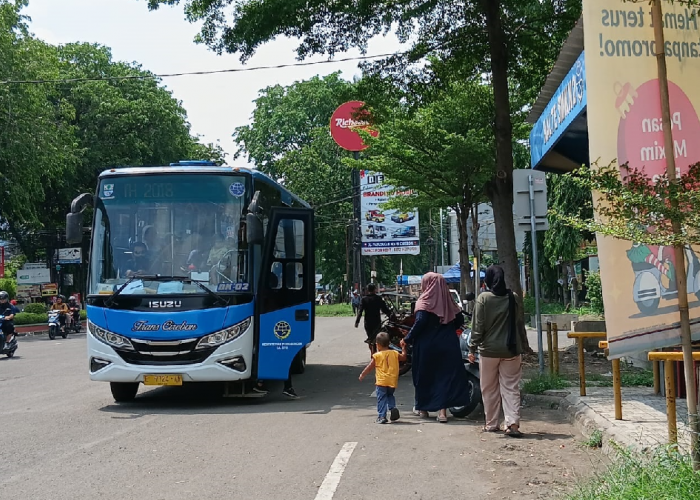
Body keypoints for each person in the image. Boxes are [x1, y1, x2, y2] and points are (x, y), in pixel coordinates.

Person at [469, 265, 532, 437]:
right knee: (511, 387)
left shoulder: (483, 299)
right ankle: (512, 423)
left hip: (488, 352)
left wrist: (472, 347)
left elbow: (477, 327)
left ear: (488, 280)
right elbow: (520, 324)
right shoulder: (514, 297)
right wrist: (524, 345)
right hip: (511, 350)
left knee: (489, 388)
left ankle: (491, 424)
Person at [401, 272, 469, 423]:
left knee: (424, 375)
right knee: (444, 377)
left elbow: (420, 323)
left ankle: (423, 409)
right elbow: (459, 320)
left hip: (427, 346)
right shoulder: (450, 302)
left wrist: (407, 338)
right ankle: (442, 412)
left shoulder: (423, 302)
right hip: (448, 344)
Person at [359, 331, 407, 423]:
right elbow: (404, 357)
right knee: (390, 395)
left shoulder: (377, 356)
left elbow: (370, 367)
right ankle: (392, 407)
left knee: (381, 398)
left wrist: (362, 375)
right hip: (392, 380)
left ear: (377, 345)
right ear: (389, 343)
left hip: (381, 381)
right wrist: (404, 347)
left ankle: (382, 416)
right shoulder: (395, 353)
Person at [354, 283, 393, 357]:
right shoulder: (378, 299)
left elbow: (360, 311)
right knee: (376, 339)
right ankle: (375, 354)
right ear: (374, 289)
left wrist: (357, 322)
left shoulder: (364, 299)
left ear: (367, 290)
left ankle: (373, 354)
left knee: (370, 339)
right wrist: (391, 316)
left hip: (368, 323)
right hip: (377, 322)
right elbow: (384, 309)